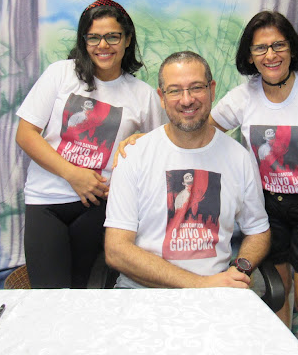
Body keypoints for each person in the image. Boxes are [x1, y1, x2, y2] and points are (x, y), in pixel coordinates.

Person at [209, 11, 298, 355]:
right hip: (266, 209)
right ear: (249, 56)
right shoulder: (242, 97)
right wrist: (144, 141)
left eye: (278, 45)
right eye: (260, 48)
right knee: (276, 298)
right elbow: (201, 131)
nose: (270, 55)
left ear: (292, 48)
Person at [15, 0, 165, 288]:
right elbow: (26, 134)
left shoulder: (142, 95)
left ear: (127, 39)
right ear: (83, 40)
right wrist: (73, 175)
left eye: (113, 36)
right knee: (49, 297)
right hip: (47, 200)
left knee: (85, 292)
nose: (103, 45)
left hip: (101, 207)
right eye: (93, 37)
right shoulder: (61, 73)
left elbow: (161, 149)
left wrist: (141, 141)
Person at [104, 51, 271, 289]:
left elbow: (258, 231)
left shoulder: (239, 158)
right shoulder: (133, 156)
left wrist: (240, 268)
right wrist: (202, 284)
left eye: (196, 88)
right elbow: (116, 250)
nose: (186, 100)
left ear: (212, 90)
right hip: (142, 294)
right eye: (174, 91)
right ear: (161, 97)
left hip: (217, 295)